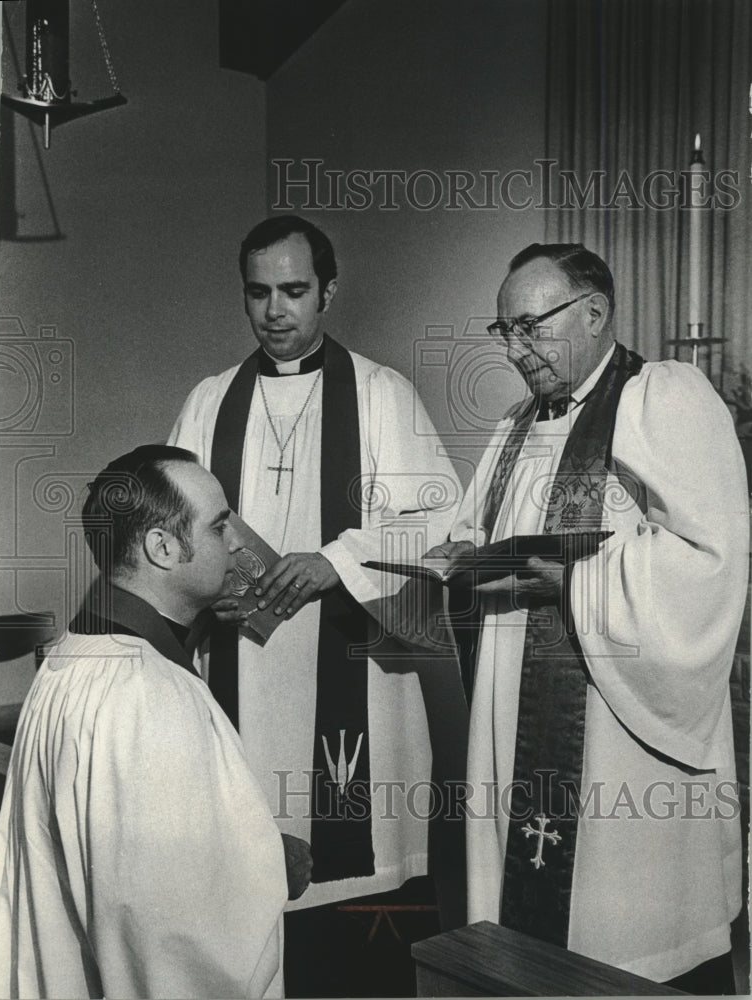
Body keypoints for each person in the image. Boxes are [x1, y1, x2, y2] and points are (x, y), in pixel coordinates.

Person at [433, 243, 748, 991]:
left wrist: (577, 582)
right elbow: (479, 529)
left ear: (596, 313)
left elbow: (713, 559)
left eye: (531, 327)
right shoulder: (516, 426)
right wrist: (459, 550)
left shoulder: (665, 397)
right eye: (503, 330)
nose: (515, 349)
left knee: (622, 941)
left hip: (620, 726)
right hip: (516, 716)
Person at [168, 215, 468, 992]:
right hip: (239, 666)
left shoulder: (381, 394)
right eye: (259, 293)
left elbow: (441, 522)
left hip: (352, 673)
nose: (276, 311)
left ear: (328, 292)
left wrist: (337, 562)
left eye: (295, 291)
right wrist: (207, 595)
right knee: (243, 901)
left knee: (351, 928)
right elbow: (166, 531)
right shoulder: (207, 403)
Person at [0, 445, 298, 999]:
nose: (238, 542)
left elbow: (120, 854)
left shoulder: (75, 655)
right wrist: (271, 863)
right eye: (219, 526)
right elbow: (166, 932)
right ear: (162, 547)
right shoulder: (147, 694)